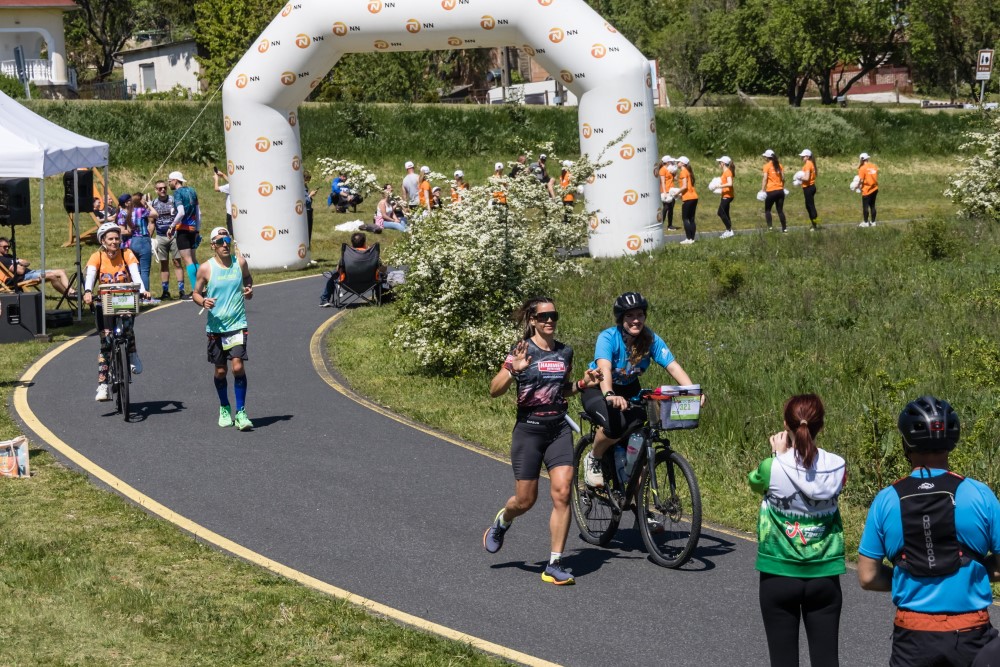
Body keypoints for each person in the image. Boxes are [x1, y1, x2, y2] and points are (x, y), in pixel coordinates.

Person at [858, 396, 1000, 667]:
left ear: (905, 443)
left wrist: (911, 573)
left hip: (913, 637)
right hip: (971, 635)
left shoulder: (887, 499)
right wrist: (968, 572)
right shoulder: (981, 494)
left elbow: (867, 577)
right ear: (951, 441)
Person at [482, 296, 603, 585]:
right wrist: (514, 369)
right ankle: (502, 521)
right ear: (532, 320)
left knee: (562, 493)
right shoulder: (521, 350)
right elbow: (494, 389)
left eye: (554, 316)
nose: (550, 321)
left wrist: (584, 383)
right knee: (525, 500)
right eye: (544, 316)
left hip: (558, 429)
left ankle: (554, 564)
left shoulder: (565, 352)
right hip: (529, 431)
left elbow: (563, 390)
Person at [749, 394, 846, 667]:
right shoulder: (838, 467)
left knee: (783, 661)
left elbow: (756, 483)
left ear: (785, 425)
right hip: (824, 575)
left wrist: (777, 455)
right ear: (821, 426)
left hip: (777, 572)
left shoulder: (772, 466)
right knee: (827, 659)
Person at [581, 292, 701, 487]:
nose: (636, 320)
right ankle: (594, 457)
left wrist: (693, 392)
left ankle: (641, 512)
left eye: (640, 315)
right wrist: (610, 394)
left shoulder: (650, 339)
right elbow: (604, 369)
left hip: (630, 389)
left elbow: (672, 366)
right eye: (629, 316)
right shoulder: (608, 337)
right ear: (621, 319)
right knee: (615, 426)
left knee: (641, 434)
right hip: (598, 388)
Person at [192, 226, 255, 431]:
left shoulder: (240, 263)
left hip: (237, 324)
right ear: (213, 246)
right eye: (220, 242)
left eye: (227, 240)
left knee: (237, 367)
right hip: (216, 327)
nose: (225, 245)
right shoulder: (206, 268)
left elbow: (247, 278)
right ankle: (224, 407)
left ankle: (241, 412)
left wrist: (248, 289)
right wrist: (203, 302)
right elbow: (196, 293)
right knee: (221, 370)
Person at [82, 222, 150, 401]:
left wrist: (142, 290)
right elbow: (90, 275)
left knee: (128, 329)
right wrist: (88, 292)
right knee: (106, 342)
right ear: (103, 241)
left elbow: (135, 274)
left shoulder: (126, 253)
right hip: (103, 303)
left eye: (117, 238)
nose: (114, 241)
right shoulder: (96, 256)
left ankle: (133, 355)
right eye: (110, 238)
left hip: (125, 299)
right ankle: (103, 385)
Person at [319, 231, 384, 307]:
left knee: (333, 274)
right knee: (380, 275)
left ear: (352, 243)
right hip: (370, 283)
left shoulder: (347, 254)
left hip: (348, 283)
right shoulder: (372, 254)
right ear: (364, 242)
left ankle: (324, 299)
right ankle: (381, 298)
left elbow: (338, 270)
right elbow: (383, 269)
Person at [0, 237, 77, 298]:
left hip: (32, 272)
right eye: (4, 247)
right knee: (51, 276)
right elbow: (20, 271)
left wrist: (21, 263)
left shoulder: (9, 256)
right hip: (25, 277)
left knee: (61, 271)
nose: (7, 248)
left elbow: (27, 262)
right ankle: (67, 295)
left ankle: (71, 291)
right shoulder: (2, 260)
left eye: (8, 246)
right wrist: (21, 263)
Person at [148, 179, 185, 300]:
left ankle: (181, 290)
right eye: (160, 188)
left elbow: (181, 215)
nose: (163, 190)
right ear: (156, 190)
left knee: (177, 262)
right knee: (164, 264)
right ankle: (165, 291)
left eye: (164, 187)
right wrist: (149, 237)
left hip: (174, 235)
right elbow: (151, 222)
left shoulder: (173, 200)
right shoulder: (153, 203)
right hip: (160, 236)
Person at [166, 170, 200, 300]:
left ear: (175, 180)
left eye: (169, 181)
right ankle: (202, 286)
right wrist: (197, 229)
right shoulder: (192, 190)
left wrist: (172, 226)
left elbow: (180, 212)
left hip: (183, 229)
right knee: (194, 258)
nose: (169, 183)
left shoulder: (178, 193)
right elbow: (198, 212)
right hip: (193, 228)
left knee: (188, 260)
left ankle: (195, 290)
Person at [119, 192, 157, 305]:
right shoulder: (140, 211)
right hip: (143, 239)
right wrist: (149, 204)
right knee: (145, 270)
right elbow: (155, 214)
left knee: (137, 270)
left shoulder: (124, 213)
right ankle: (146, 295)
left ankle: (138, 294)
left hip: (133, 241)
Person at [761, 150, 787, 232]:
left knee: (767, 210)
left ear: (768, 157)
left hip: (771, 191)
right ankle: (784, 229)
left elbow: (765, 179)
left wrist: (762, 190)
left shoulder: (766, 166)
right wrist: (782, 186)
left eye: (765, 156)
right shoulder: (780, 165)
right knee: (780, 210)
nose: (764, 158)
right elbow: (783, 178)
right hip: (780, 191)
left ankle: (770, 228)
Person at [676, 156, 699, 245]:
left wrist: (676, 193)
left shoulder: (683, 172)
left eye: (678, 162)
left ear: (682, 163)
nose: (677, 163)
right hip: (694, 197)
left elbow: (684, 186)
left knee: (685, 218)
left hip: (688, 198)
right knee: (691, 219)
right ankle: (692, 239)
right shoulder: (688, 172)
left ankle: (688, 238)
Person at [857, 153, 880, 228]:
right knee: (872, 206)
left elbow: (861, 180)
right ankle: (873, 222)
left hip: (866, 190)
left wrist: (857, 187)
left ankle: (866, 222)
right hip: (875, 188)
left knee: (865, 207)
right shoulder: (874, 166)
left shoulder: (862, 168)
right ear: (867, 159)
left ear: (861, 160)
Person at [798, 150, 819, 230]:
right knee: (808, 206)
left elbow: (806, 178)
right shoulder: (811, 164)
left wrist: (799, 178)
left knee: (810, 206)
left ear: (807, 156)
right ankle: (814, 224)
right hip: (811, 187)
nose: (802, 158)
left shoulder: (807, 165)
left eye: (803, 156)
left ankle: (815, 225)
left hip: (808, 187)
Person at [716, 156, 735, 239]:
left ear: (723, 163)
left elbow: (730, 183)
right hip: (725, 195)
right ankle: (728, 231)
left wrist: (720, 186)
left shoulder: (727, 172)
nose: (719, 164)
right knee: (726, 213)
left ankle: (730, 231)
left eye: (720, 162)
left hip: (728, 195)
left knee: (720, 212)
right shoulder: (725, 172)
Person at [212, 166, 233, 237]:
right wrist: (223, 175)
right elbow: (233, 182)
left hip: (231, 213)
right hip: (236, 212)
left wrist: (216, 179)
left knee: (233, 234)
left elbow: (216, 188)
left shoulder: (229, 186)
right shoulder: (238, 184)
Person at [659, 155, 678, 231]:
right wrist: (664, 192)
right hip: (666, 191)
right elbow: (663, 182)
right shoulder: (662, 170)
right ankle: (661, 224)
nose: (671, 162)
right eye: (669, 161)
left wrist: (675, 171)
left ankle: (670, 225)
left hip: (672, 190)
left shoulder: (670, 169)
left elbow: (675, 179)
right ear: (666, 162)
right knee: (666, 208)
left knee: (671, 208)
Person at [304, 171, 318, 264]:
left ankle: (308, 256)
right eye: (306, 180)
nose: (307, 183)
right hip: (305, 212)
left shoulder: (304, 187)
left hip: (309, 210)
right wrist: (310, 195)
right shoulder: (299, 187)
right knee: (306, 235)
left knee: (309, 235)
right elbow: (304, 200)